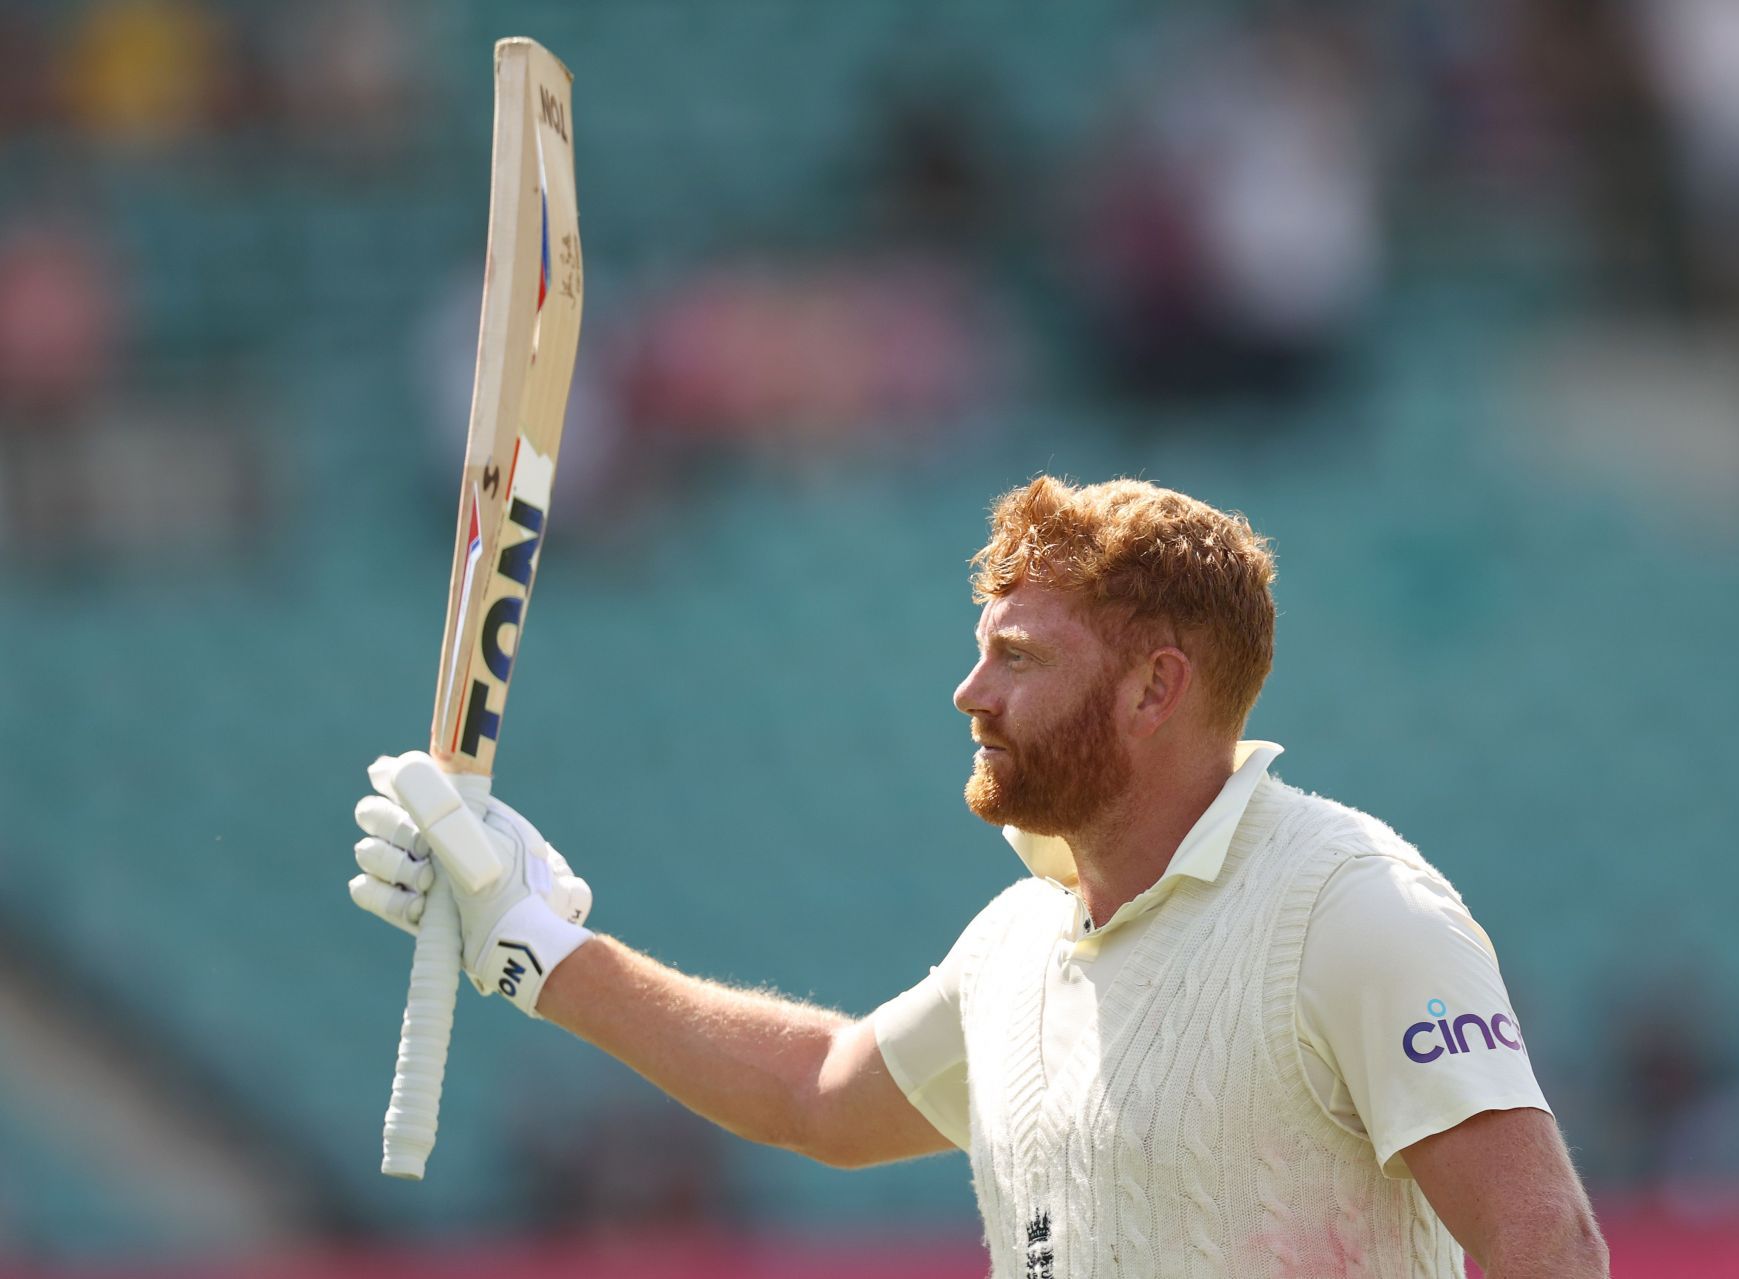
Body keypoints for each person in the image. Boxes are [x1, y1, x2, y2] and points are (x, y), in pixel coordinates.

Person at [350, 476, 1608, 1278]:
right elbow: (820, 1093)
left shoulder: (1354, 905)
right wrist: (542, 951)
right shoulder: (1019, 945)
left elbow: (1545, 1245)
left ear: (1155, 687)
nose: (970, 693)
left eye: (1017, 657)